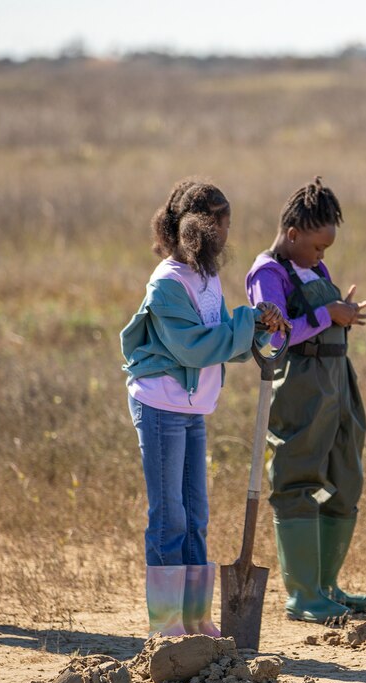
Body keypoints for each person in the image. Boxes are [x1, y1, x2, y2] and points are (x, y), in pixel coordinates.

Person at [121, 178, 288, 637]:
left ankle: (195, 618)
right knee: (169, 514)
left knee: (195, 513)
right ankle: (166, 625)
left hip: (192, 407)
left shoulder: (207, 276)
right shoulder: (168, 284)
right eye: (222, 221)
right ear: (199, 226)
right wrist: (245, 321)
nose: (228, 230)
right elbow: (194, 348)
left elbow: (223, 344)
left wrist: (257, 330)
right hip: (159, 405)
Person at [245, 177, 366, 623]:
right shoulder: (268, 273)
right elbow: (273, 337)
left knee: (344, 476)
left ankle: (327, 586)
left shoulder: (313, 269)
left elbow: (323, 318)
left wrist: (345, 315)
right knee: (299, 478)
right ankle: (303, 595)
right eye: (319, 247)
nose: (323, 257)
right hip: (301, 385)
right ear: (294, 233)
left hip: (339, 380)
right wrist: (327, 315)